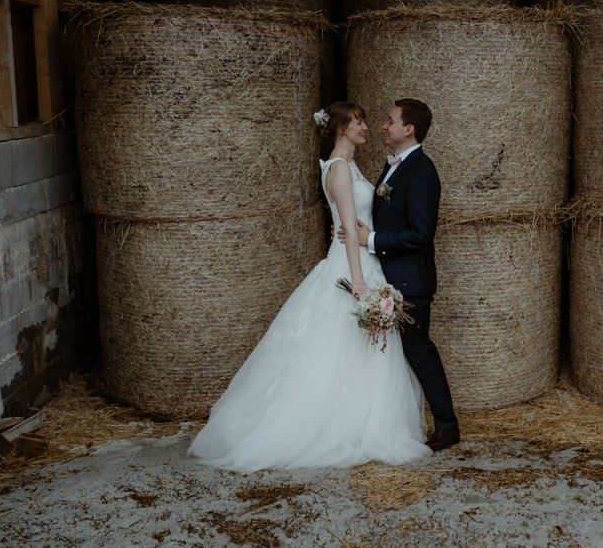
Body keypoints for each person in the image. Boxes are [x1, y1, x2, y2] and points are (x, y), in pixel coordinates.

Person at [187, 101, 431, 471]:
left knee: (364, 353)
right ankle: (338, 426)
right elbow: (349, 231)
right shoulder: (337, 169)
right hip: (354, 266)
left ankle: (359, 418)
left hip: (366, 258)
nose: (367, 128)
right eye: (360, 122)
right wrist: (360, 282)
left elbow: (355, 222)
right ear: (341, 128)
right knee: (342, 348)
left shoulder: (349, 166)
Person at [342, 98, 460, 451]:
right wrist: (356, 230)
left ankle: (447, 426)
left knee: (419, 350)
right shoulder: (393, 166)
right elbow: (387, 217)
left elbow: (421, 233)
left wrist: (371, 239)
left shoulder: (422, 171)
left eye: (389, 120)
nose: (383, 125)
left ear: (408, 129)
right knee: (402, 354)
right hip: (388, 276)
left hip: (410, 280)